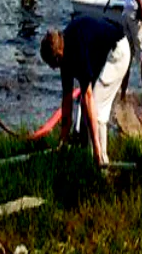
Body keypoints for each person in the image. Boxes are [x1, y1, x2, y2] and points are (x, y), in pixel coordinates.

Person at [40, 17, 131, 167]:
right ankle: (89, 156)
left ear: (58, 56)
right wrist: (63, 140)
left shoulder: (76, 49)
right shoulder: (64, 54)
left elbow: (88, 97)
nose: (52, 68)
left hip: (117, 52)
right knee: (88, 109)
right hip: (102, 54)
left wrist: (96, 145)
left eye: (52, 64)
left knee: (97, 110)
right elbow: (67, 101)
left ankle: (101, 162)